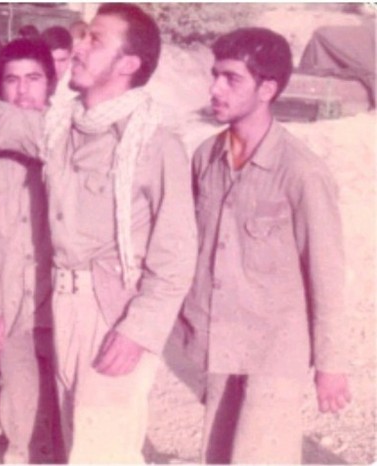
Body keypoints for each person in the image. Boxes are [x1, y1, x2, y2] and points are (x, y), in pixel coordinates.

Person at [0, 4, 198, 463]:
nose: (79, 47)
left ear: (127, 64)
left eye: (95, 40)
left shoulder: (155, 143)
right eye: (84, 36)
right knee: (73, 438)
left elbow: (176, 256)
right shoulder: (60, 129)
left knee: (102, 449)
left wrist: (138, 331)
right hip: (64, 304)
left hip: (114, 309)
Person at [171, 27, 351, 463]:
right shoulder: (206, 158)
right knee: (217, 454)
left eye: (231, 78)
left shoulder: (302, 172)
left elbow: (327, 274)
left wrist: (331, 364)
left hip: (274, 354)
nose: (215, 89)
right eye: (215, 75)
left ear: (267, 89)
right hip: (220, 343)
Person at [0, 37, 61, 464]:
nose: (23, 91)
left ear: (52, 84)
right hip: (10, 308)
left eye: (34, 79)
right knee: (17, 422)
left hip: (62, 309)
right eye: (12, 80)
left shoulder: (71, 144)